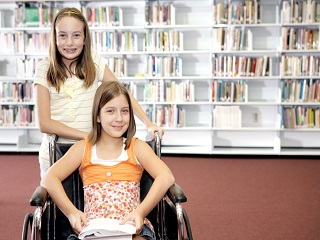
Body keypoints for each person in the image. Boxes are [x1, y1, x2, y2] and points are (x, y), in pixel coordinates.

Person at [34, 7, 164, 177]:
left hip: (90, 153)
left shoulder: (93, 61)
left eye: (76, 35)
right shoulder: (44, 69)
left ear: (85, 38)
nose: (70, 43)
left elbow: (121, 94)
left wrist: (149, 123)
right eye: (63, 35)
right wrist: (89, 136)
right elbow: (45, 123)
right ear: (54, 37)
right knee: (55, 200)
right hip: (55, 154)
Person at [41, 81, 175, 240]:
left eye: (125, 111)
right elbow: (49, 177)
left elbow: (166, 177)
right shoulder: (83, 148)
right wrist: (71, 212)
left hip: (132, 229)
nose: (119, 118)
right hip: (93, 228)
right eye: (110, 111)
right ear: (97, 116)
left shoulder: (136, 147)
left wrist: (141, 211)